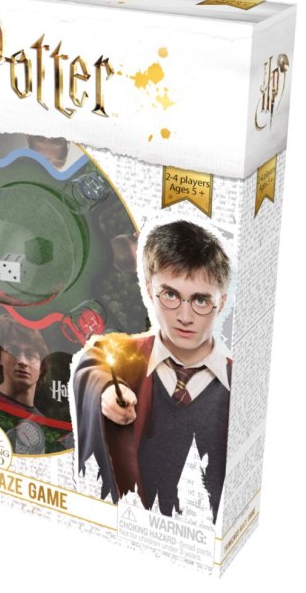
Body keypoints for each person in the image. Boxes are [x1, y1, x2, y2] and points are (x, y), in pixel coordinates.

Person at [72, 220, 232, 523]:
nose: (184, 316)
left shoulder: (238, 386)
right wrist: (105, 391)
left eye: (200, 300)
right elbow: (94, 365)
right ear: (148, 289)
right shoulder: (123, 356)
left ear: (221, 302)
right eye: (170, 295)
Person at [0, 314, 49, 416]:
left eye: (30, 355)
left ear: (41, 367)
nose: (22, 361)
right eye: (13, 351)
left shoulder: (42, 422)